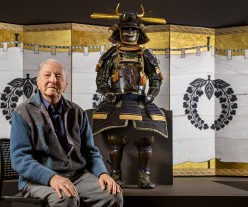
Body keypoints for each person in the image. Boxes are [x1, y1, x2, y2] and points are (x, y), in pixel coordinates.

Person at [10, 59, 123, 207]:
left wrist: (103, 173)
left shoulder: (77, 112)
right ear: (38, 82)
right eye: (47, 75)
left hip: (77, 175)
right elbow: (20, 158)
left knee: (113, 195)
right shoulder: (22, 112)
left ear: (65, 85)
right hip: (39, 180)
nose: (52, 80)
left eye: (58, 76)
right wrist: (52, 178)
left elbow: (90, 151)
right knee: (66, 198)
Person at [91, 5, 168, 189]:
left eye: (133, 29)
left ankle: (144, 177)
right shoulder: (111, 55)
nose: (130, 33)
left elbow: (155, 79)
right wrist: (108, 93)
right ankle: (115, 176)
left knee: (147, 140)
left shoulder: (145, 55)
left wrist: (151, 94)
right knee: (115, 141)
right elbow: (101, 79)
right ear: (119, 31)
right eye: (126, 29)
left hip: (140, 101)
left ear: (139, 32)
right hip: (116, 101)